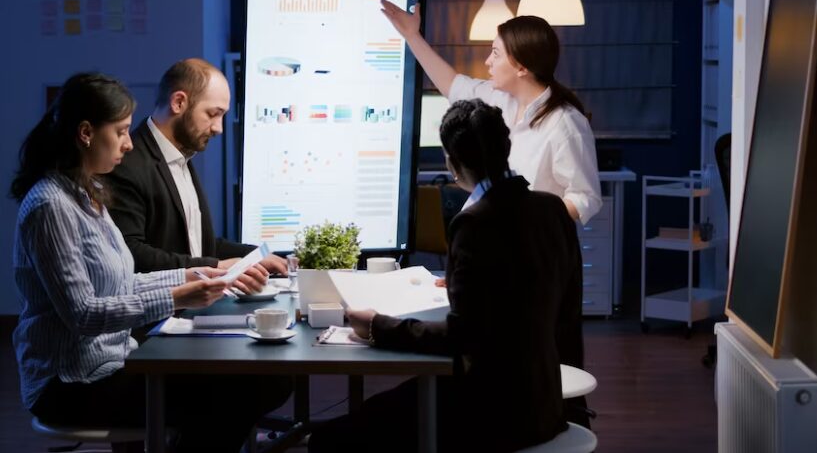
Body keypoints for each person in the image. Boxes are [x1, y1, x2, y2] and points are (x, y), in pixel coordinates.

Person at [10, 73, 290, 452]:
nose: (129, 143)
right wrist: (177, 296)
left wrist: (192, 274)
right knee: (245, 388)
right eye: (122, 131)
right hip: (72, 384)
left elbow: (123, 284)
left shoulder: (84, 191)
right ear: (86, 133)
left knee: (259, 382)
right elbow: (84, 315)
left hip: (111, 364)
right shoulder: (50, 205)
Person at [308, 99, 586, 453]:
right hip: (544, 403)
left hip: (490, 411)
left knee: (330, 439)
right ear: (506, 149)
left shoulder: (473, 223)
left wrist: (379, 326)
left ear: (452, 164)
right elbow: (562, 311)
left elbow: (462, 337)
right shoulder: (552, 209)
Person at [381, 0, 603, 224]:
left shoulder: (565, 123)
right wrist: (412, 36)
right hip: (491, 236)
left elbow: (586, 198)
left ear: (521, 67)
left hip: (534, 247)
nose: (488, 62)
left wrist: (529, 216)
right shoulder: (498, 99)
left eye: (495, 54)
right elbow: (452, 84)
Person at [104, 58, 286, 290]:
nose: (219, 128)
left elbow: (197, 245)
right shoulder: (127, 163)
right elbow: (131, 254)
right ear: (179, 102)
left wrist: (257, 255)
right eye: (212, 114)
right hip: (156, 319)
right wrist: (217, 266)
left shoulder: (181, 156)